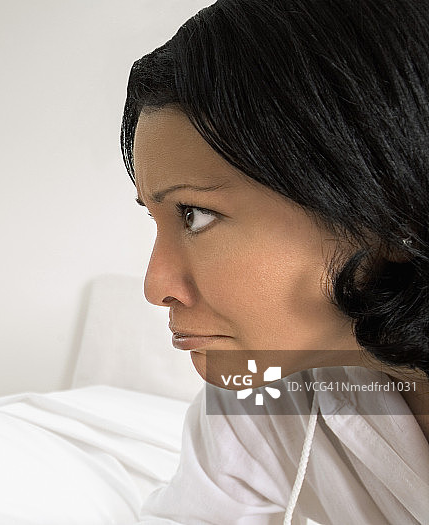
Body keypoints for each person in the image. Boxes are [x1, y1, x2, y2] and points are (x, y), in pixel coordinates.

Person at [121, 0, 429, 523]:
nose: (156, 286)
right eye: (158, 219)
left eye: (196, 215)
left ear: (387, 211)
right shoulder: (257, 399)